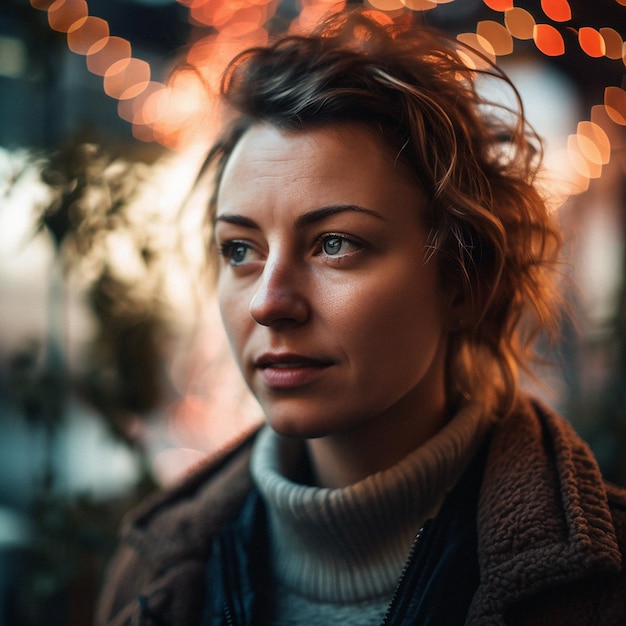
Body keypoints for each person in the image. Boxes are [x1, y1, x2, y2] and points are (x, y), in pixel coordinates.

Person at [95, 8, 626, 625]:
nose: (269, 303)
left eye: (335, 244)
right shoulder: (153, 575)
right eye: (240, 250)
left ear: (463, 279)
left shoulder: (599, 587)